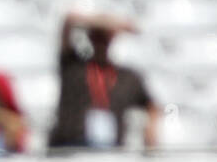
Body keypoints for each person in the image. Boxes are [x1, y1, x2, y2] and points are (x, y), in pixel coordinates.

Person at [49, 13, 158, 149]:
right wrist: (113, 23)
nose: (101, 43)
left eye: (105, 38)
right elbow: (69, 20)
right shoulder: (73, 66)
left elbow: (151, 104)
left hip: (111, 149)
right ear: (90, 38)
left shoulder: (127, 77)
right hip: (71, 147)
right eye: (97, 37)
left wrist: (151, 132)